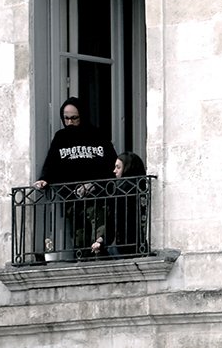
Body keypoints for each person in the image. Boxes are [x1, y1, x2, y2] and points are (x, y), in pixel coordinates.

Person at [33, 98, 117, 258]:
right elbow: (51, 162)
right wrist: (44, 178)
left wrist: (93, 184)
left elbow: (110, 166)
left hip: (98, 198)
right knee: (80, 241)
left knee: (100, 238)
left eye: (74, 118)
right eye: (66, 118)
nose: (70, 122)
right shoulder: (60, 138)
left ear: (82, 116)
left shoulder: (97, 135)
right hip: (73, 200)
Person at [89, 152, 148, 258]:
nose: (114, 171)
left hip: (124, 247)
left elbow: (115, 219)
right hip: (138, 246)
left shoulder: (122, 189)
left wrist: (102, 240)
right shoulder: (140, 187)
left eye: (118, 167)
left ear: (127, 168)